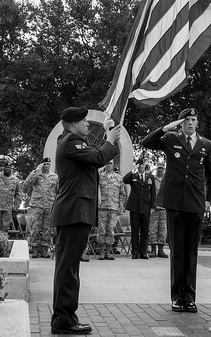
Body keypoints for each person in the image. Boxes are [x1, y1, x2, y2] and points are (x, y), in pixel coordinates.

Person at [51, 107, 121, 335]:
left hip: (75, 213)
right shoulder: (71, 141)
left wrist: (108, 134)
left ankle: (65, 317)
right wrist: (109, 140)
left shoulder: (72, 141)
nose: (88, 124)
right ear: (71, 124)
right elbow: (98, 157)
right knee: (68, 269)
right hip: (73, 213)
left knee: (69, 268)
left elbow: (93, 154)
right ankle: (64, 319)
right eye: (84, 121)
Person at [141, 107, 211, 314]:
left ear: (197, 123)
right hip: (174, 202)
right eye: (187, 120)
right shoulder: (170, 138)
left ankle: (190, 298)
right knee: (177, 252)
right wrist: (166, 128)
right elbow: (146, 142)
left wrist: (209, 200)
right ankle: (177, 297)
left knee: (191, 252)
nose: (191, 123)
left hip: (195, 203)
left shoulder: (206, 144)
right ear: (180, 123)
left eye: (194, 119)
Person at [23, 158, 59, 258]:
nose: (46, 166)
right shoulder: (36, 175)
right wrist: (36, 171)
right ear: (41, 165)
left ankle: (44, 250)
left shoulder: (55, 177)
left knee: (47, 229)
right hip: (37, 205)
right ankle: (34, 249)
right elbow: (26, 185)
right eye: (44, 164)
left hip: (49, 205)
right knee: (35, 228)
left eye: (48, 164)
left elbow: (58, 190)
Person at [123, 162, 156, 259]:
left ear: (145, 166)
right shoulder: (134, 176)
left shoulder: (150, 177)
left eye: (142, 164)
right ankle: (135, 252)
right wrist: (133, 170)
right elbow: (125, 180)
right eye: (139, 164)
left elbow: (153, 193)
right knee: (135, 231)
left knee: (145, 231)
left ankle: (143, 252)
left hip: (145, 208)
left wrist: (152, 207)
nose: (141, 166)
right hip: (135, 207)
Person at [95, 164, 124, 260]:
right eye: (107, 163)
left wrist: (121, 206)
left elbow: (122, 194)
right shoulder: (100, 176)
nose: (108, 165)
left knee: (111, 230)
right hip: (102, 207)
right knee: (101, 230)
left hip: (113, 207)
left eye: (110, 163)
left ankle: (108, 252)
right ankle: (101, 252)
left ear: (113, 165)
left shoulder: (118, 178)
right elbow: (96, 191)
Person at [148, 164, 168, 257]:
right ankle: (153, 250)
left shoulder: (167, 180)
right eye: (158, 168)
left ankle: (161, 250)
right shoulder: (152, 179)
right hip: (154, 208)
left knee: (163, 229)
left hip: (164, 208)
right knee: (153, 228)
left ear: (164, 170)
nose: (160, 170)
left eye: (161, 169)